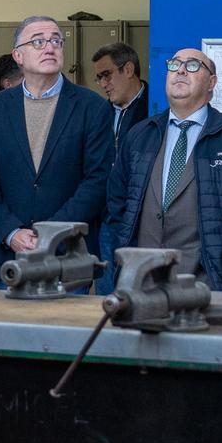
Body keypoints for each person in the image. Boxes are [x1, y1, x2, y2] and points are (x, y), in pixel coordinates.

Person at [108, 46, 222, 291]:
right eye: (174, 64)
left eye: (193, 66)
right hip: (140, 281)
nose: (181, 71)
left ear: (212, 82)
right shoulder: (140, 135)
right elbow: (116, 203)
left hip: (206, 285)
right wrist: (121, 253)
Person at [0, 16, 112, 289]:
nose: (49, 47)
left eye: (55, 40)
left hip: (68, 258)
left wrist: (50, 234)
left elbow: (97, 181)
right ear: (18, 55)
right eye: (38, 41)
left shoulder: (93, 107)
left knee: (70, 333)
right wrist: (10, 231)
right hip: (10, 256)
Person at [91, 41, 149, 295]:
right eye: (99, 78)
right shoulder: (99, 113)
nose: (103, 84)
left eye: (107, 75)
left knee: (139, 295)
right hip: (106, 219)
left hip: (141, 220)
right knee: (106, 298)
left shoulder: (154, 108)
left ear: (128, 69)